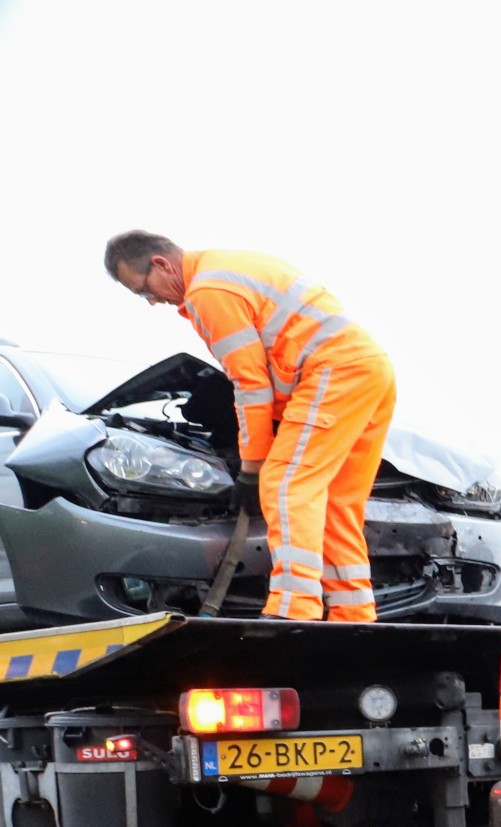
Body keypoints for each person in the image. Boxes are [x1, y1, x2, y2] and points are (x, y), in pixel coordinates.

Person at [102, 230, 395, 622]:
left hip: (332, 371)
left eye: (143, 289)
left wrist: (252, 468)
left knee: (286, 483)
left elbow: (251, 386)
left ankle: (295, 606)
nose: (152, 300)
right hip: (370, 369)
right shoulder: (230, 264)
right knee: (337, 502)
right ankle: (354, 610)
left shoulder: (208, 292)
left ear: (161, 264)